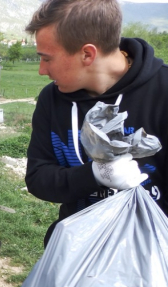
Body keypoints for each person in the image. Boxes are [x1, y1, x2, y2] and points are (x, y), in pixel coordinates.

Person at [24, 0, 168, 246]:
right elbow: (38, 178)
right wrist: (95, 173)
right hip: (76, 253)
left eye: (47, 59)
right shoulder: (52, 99)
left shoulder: (163, 92)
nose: (41, 70)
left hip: (150, 260)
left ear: (87, 54)